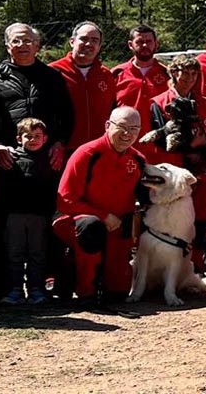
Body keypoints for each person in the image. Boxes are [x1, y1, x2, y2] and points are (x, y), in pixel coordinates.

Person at [52, 107, 147, 302]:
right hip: (78, 222)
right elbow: (66, 200)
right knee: (92, 227)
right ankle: (85, 291)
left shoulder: (138, 159)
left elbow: (146, 198)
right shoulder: (87, 153)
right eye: (122, 127)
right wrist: (103, 216)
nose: (127, 134)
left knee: (117, 293)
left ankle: (109, 283)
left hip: (117, 225)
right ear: (107, 126)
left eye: (134, 129)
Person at [150, 53, 206, 265]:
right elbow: (160, 140)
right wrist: (189, 151)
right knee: (174, 218)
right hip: (174, 170)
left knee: (201, 217)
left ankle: (198, 262)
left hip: (202, 171)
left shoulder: (205, 103)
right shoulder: (159, 103)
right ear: (174, 72)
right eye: (185, 73)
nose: (190, 78)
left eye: (194, 73)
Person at [0, 23, 73, 172]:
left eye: (27, 40)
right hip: (9, 158)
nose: (22, 45)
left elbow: (67, 115)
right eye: (16, 41)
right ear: (8, 46)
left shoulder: (52, 77)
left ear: (36, 46)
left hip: (47, 158)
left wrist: (60, 144)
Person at [0, 118, 55, 305]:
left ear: (45, 138)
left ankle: (36, 289)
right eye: (28, 136)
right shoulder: (11, 158)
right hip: (15, 215)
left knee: (38, 253)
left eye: (37, 136)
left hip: (39, 215)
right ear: (18, 139)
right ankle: (15, 290)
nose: (33, 140)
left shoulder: (50, 159)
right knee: (14, 253)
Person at [51, 21, 117, 151]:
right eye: (84, 39)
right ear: (72, 41)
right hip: (63, 149)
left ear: (99, 46)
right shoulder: (53, 72)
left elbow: (112, 110)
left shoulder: (106, 75)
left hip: (99, 148)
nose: (89, 44)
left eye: (94, 40)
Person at [112, 25, 170, 137]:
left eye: (149, 41)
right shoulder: (116, 74)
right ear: (130, 45)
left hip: (158, 141)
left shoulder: (168, 74)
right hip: (125, 140)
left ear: (156, 44)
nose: (145, 45)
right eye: (139, 42)